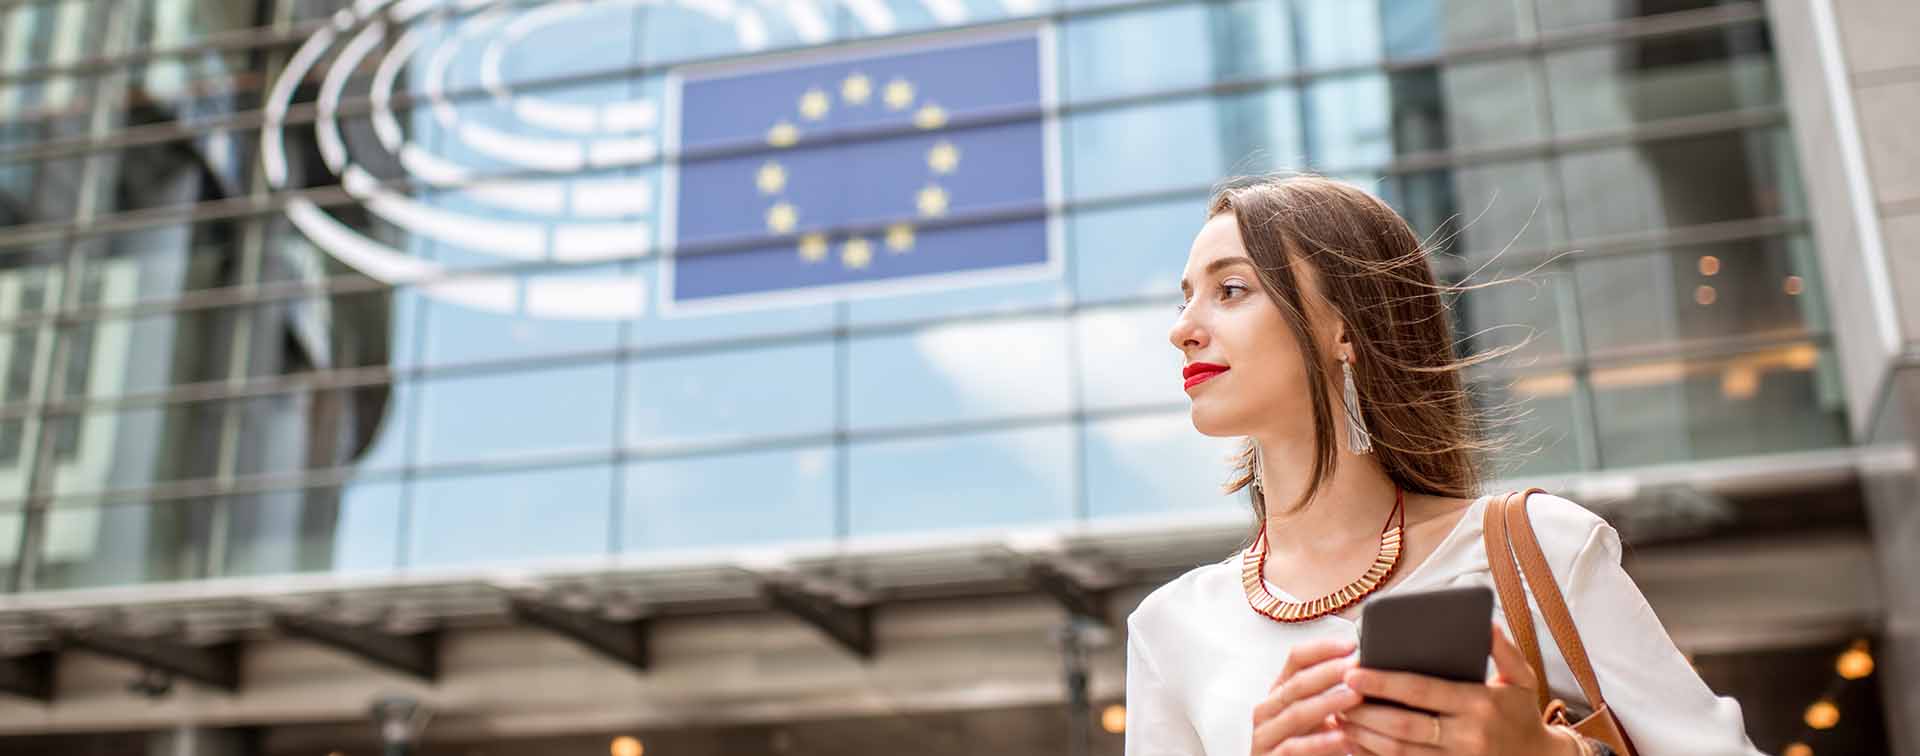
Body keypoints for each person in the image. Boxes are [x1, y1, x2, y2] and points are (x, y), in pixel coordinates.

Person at [1126, 174, 1764, 756]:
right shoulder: (1169, 629)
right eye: (1187, 300)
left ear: (1345, 329)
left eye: (1230, 290)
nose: (1184, 329)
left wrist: (1549, 754)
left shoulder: (1539, 546)